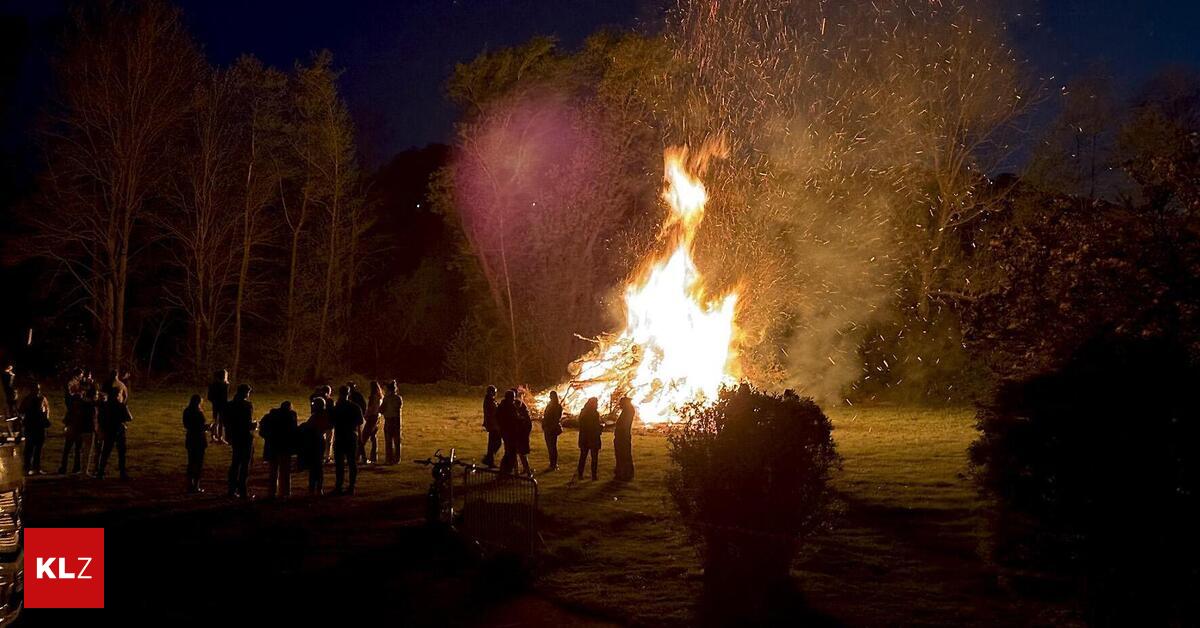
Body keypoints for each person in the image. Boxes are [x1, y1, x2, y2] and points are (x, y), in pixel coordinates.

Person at [96, 371, 131, 480]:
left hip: (109, 428)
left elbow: (101, 414)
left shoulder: (106, 404)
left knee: (106, 450)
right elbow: (128, 417)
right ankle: (122, 472)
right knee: (121, 451)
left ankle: (100, 472)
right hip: (118, 428)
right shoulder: (120, 404)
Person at [259, 401, 298, 499]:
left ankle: (272, 492)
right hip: (285, 447)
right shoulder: (291, 416)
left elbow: (262, 431)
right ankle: (285, 492)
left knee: (273, 471)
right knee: (285, 471)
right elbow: (294, 431)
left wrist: (268, 438)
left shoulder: (270, 416)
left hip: (272, 446)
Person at [224, 383, 255, 498]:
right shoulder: (247, 405)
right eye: (248, 392)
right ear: (245, 393)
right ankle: (243, 490)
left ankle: (231, 489)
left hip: (235, 436)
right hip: (245, 436)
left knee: (235, 462)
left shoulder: (229, 405)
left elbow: (227, 422)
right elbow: (247, 423)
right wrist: (254, 425)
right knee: (245, 464)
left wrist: (228, 435)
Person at [332, 386, 364, 495]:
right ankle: (351, 486)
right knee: (352, 463)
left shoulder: (337, 407)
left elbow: (331, 422)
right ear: (348, 393)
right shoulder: (355, 407)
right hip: (351, 436)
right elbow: (360, 423)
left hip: (340, 436)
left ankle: (339, 486)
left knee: (339, 464)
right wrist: (360, 438)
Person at [59, 385, 95, 474]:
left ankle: (66, 467)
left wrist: (67, 424)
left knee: (69, 449)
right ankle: (75, 467)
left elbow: (69, 415)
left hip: (74, 428)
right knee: (76, 449)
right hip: (77, 429)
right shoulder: (83, 404)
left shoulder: (74, 404)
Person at [497, 389, 532, 476]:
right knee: (514, 453)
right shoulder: (508, 407)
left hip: (511, 434)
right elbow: (512, 420)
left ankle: (513, 472)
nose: (514, 399)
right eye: (513, 397)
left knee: (512, 453)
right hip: (511, 434)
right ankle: (509, 472)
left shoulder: (504, 406)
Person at [299, 398, 328, 495]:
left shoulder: (317, 416)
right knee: (317, 465)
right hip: (318, 441)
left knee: (316, 466)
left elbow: (311, 426)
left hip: (316, 442)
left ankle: (315, 487)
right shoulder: (321, 415)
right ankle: (317, 487)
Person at [19, 383, 50, 474]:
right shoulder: (29, 400)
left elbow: (46, 410)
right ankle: (28, 467)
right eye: (36, 389)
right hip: (32, 426)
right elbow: (21, 411)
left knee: (37, 448)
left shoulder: (41, 399)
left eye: (38, 389)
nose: (37, 391)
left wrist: (45, 420)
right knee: (30, 448)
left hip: (38, 426)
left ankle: (35, 467)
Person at [182, 394, 208, 493]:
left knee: (191, 462)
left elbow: (186, 425)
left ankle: (190, 484)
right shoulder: (199, 413)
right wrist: (208, 427)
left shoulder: (187, 411)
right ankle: (196, 485)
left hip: (190, 438)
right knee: (198, 463)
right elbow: (201, 426)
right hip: (199, 439)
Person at [576, 397, 602, 481]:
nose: (597, 405)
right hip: (592, 438)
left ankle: (580, 474)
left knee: (583, 456)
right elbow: (594, 426)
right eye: (596, 403)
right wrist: (600, 428)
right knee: (594, 458)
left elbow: (581, 425)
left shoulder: (583, 412)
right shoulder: (594, 413)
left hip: (584, 438)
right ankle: (594, 476)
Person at [614, 396, 636, 481]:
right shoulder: (628, 411)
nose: (620, 405)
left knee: (623, 455)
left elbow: (623, 425)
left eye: (621, 403)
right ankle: (623, 472)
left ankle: (624, 473)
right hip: (623, 436)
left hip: (623, 437)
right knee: (623, 455)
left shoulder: (628, 412)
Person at [360, 381, 383, 464]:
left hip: (372, 417)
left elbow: (370, 408)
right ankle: (373, 456)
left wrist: (365, 415)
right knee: (373, 437)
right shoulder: (380, 397)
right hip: (377, 417)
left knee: (363, 438)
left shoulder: (373, 397)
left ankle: (359, 456)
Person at [380, 380, 403, 464]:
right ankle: (397, 458)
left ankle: (389, 459)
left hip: (389, 419)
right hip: (396, 420)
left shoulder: (386, 399)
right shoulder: (398, 398)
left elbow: (381, 409)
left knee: (388, 440)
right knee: (397, 440)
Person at [542, 391, 564, 471]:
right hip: (548, 428)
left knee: (552, 447)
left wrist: (550, 426)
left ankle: (553, 464)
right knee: (551, 447)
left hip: (551, 429)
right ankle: (553, 464)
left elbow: (556, 418)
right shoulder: (552, 405)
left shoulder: (556, 406)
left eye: (551, 396)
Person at [207, 369, 229, 444]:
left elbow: (209, 396)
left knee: (215, 419)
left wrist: (214, 401)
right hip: (222, 405)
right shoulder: (225, 385)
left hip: (215, 404)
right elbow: (225, 397)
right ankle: (220, 437)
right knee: (221, 421)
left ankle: (213, 436)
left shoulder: (213, 384)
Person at [481, 386, 500, 467]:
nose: (496, 393)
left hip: (493, 424)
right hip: (493, 425)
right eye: (495, 392)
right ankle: (489, 458)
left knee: (493, 443)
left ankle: (489, 458)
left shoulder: (490, 400)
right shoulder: (489, 401)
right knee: (495, 442)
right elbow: (494, 411)